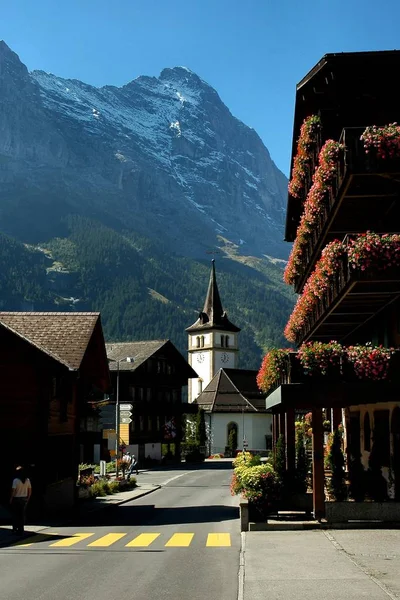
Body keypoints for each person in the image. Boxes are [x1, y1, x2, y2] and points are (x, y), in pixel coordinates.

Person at [10, 466, 32, 536]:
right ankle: (21, 529)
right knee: (22, 514)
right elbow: (30, 490)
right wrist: (28, 498)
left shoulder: (15, 480)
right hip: (24, 499)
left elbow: (13, 491)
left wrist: (10, 499)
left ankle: (15, 528)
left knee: (15, 514)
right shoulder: (27, 480)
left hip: (16, 499)